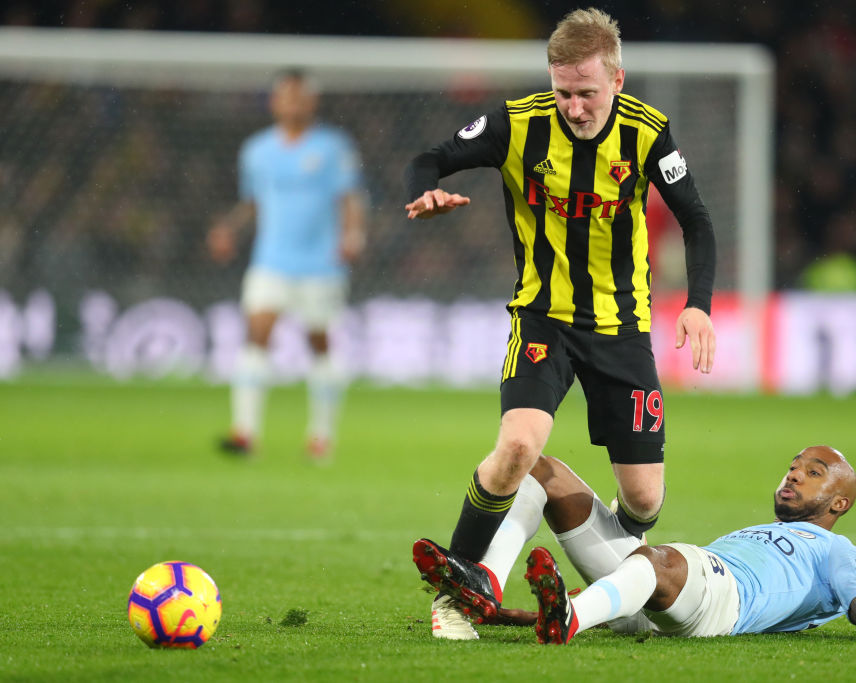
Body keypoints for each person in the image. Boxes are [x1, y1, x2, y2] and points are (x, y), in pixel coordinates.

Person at [406, 8, 717, 635]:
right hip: (542, 319)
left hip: (620, 327)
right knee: (518, 445)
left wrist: (698, 303)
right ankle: (456, 588)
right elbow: (429, 157)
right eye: (563, 92)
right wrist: (427, 191)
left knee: (644, 500)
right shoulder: (516, 125)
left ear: (618, 82)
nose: (574, 107)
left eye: (587, 93)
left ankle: (614, 558)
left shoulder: (648, 133)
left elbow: (698, 220)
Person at [420, 446, 856, 645]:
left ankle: (568, 623)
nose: (794, 475)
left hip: (726, 605)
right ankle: (484, 587)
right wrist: (523, 615)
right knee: (541, 468)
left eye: (813, 473)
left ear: (838, 504)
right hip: (664, 595)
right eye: (793, 466)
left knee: (662, 559)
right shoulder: (759, 533)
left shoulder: (834, 549)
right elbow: (645, 591)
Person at [207, 67, 367, 460]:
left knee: (319, 343)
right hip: (271, 261)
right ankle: (245, 433)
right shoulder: (257, 150)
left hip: (320, 264)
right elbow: (254, 201)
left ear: (312, 102)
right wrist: (229, 228)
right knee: (256, 333)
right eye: (285, 95)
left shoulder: (333, 147)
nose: (292, 102)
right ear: (274, 101)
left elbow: (350, 198)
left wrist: (353, 236)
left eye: (299, 95)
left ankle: (321, 437)